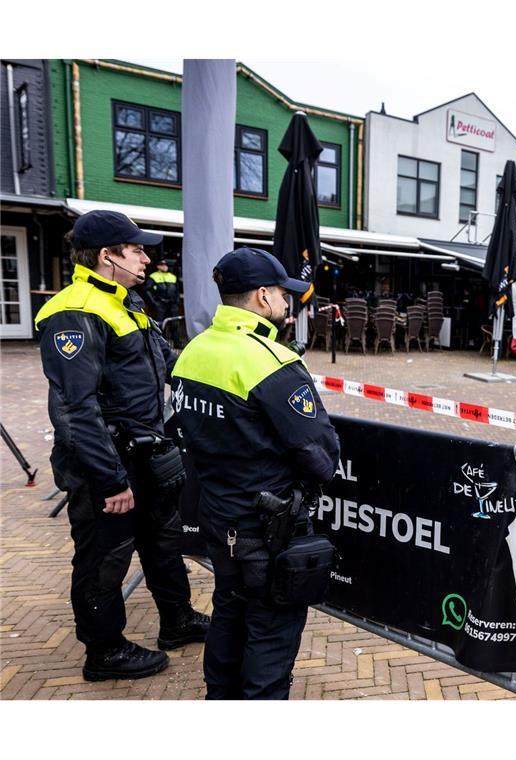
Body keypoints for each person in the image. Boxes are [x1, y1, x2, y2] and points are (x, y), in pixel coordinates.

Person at [34, 210, 209, 682]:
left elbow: (160, 364)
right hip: (106, 464)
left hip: (146, 454)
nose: (146, 257)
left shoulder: (126, 302)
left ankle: (177, 620)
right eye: (136, 249)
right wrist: (109, 479)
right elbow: (75, 409)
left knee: (163, 540)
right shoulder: (74, 311)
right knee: (105, 556)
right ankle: (104, 651)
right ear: (107, 256)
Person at [172, 247, 339, 699]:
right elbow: (322, 455)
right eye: (285, 294)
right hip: (267, 528)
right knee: (271, 629)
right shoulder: (271, 361)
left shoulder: (193, 350)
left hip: (217, 515)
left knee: (228, 610)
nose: (290, 304)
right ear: (263, 297)